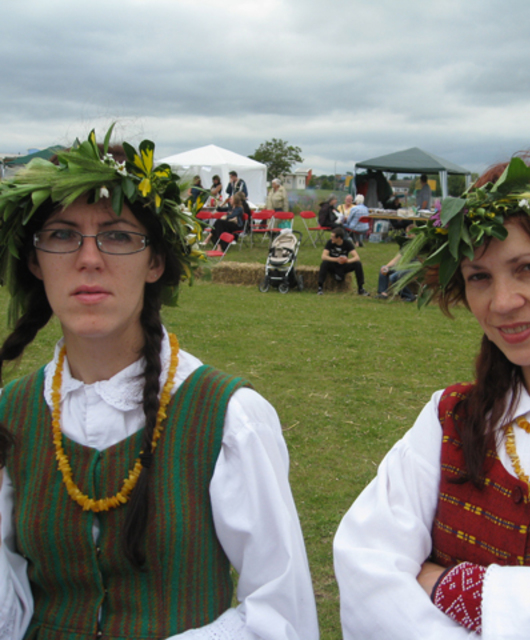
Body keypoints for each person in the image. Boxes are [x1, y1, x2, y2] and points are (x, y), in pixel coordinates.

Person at [0, 127, 319, 640]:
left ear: (155, 262)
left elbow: (281, 615)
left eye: (117, 236)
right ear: (35, 260)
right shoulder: (10, 413)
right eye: (61, 234)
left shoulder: (230, 418)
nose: (88, 258)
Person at [334, 154, 530, 639]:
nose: (502, 303)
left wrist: (458, 588)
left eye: (529, 268)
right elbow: (366, 570)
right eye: (479, 276)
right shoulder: (448, 418)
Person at [317, 226, 368, 296]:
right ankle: (320, 287)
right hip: (333, 265)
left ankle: (360, 288)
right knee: (324, 263)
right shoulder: (330, 243)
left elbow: (357, 257)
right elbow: (323, 256)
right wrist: (337, 259)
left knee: (357, 264)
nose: (331, 238)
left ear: (339, 238)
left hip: (344, 265)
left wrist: (347, 261)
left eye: (333, 237)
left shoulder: (347, 243)